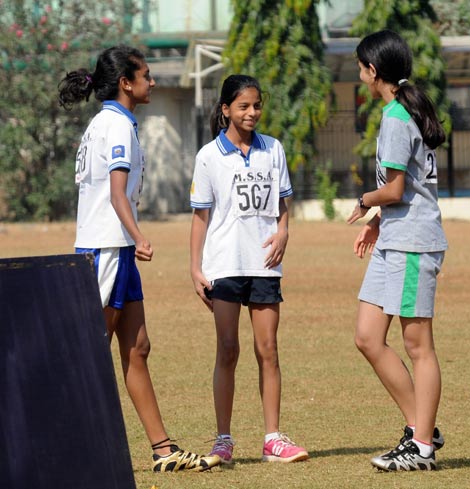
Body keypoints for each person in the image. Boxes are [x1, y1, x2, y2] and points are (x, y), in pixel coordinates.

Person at [58, 45, 220, 472]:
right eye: (146, 76)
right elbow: (115, 193)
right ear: (126, 83)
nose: (153, 82)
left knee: (138, 349)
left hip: (117, 250)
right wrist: (139, 236)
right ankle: (58, 444)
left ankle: (163, 450)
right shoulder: (116, 127)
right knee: (92, 352)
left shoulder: (109, 122)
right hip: (107, 249)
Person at [189, 74, 308, 465]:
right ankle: (223, 440)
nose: (252, 112)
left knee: (268, 349)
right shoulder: (208, 156)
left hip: (264, 265)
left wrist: (284, 233)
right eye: (243, 106)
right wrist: (195, 267)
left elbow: (283, 205)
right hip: (223, 264)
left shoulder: (272, 149)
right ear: (225, 110)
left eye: (257, 105)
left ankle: (273, 438)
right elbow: (201, 217)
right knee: (227, 349)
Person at [347, 30, 448, 471]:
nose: (358, 74)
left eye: (360, 67)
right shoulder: (399, 111)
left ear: (373, 71)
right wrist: (375, 224)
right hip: (394, 238)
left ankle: (421, 446)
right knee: (368, 336)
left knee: (417, 345)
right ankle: (420, 427)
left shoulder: (394, 117)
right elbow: (400, 192)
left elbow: (395, 188)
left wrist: (366, 203)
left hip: (412, 243)